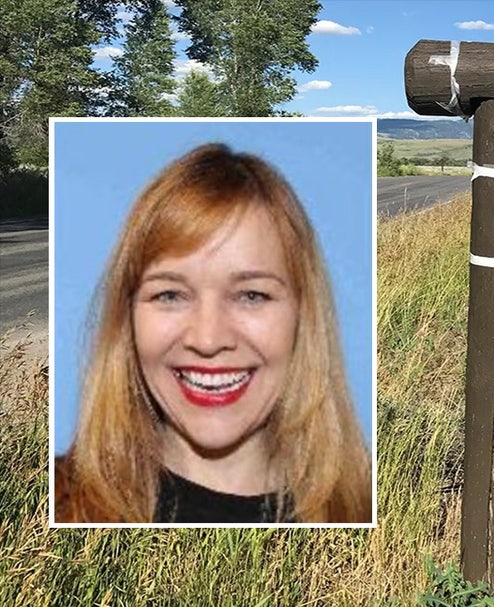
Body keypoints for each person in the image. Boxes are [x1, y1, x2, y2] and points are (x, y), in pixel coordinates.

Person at [55, 143, 371, 524]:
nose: (207, 339)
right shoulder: (46, 507)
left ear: (303, 317)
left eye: (251, 295)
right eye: (170, 294)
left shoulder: (364, 509)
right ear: (127, 319)